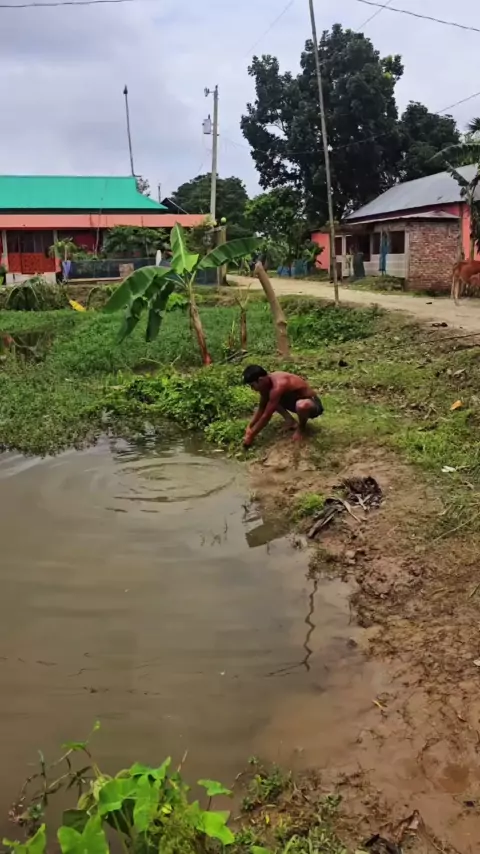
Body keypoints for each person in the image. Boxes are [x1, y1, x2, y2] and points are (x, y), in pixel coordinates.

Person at [242, 365, 323, 448]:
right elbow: (262, 408)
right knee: (271, 399)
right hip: (294, 402)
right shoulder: (266, 386)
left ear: (260, 380)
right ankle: (290, 421)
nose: (252, 389)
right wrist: (250, 426)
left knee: (301, 405)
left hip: (312, 405)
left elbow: (266, 416)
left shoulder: (279, 385)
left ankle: (301, 428)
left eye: (252, 385)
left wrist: (251, 435)